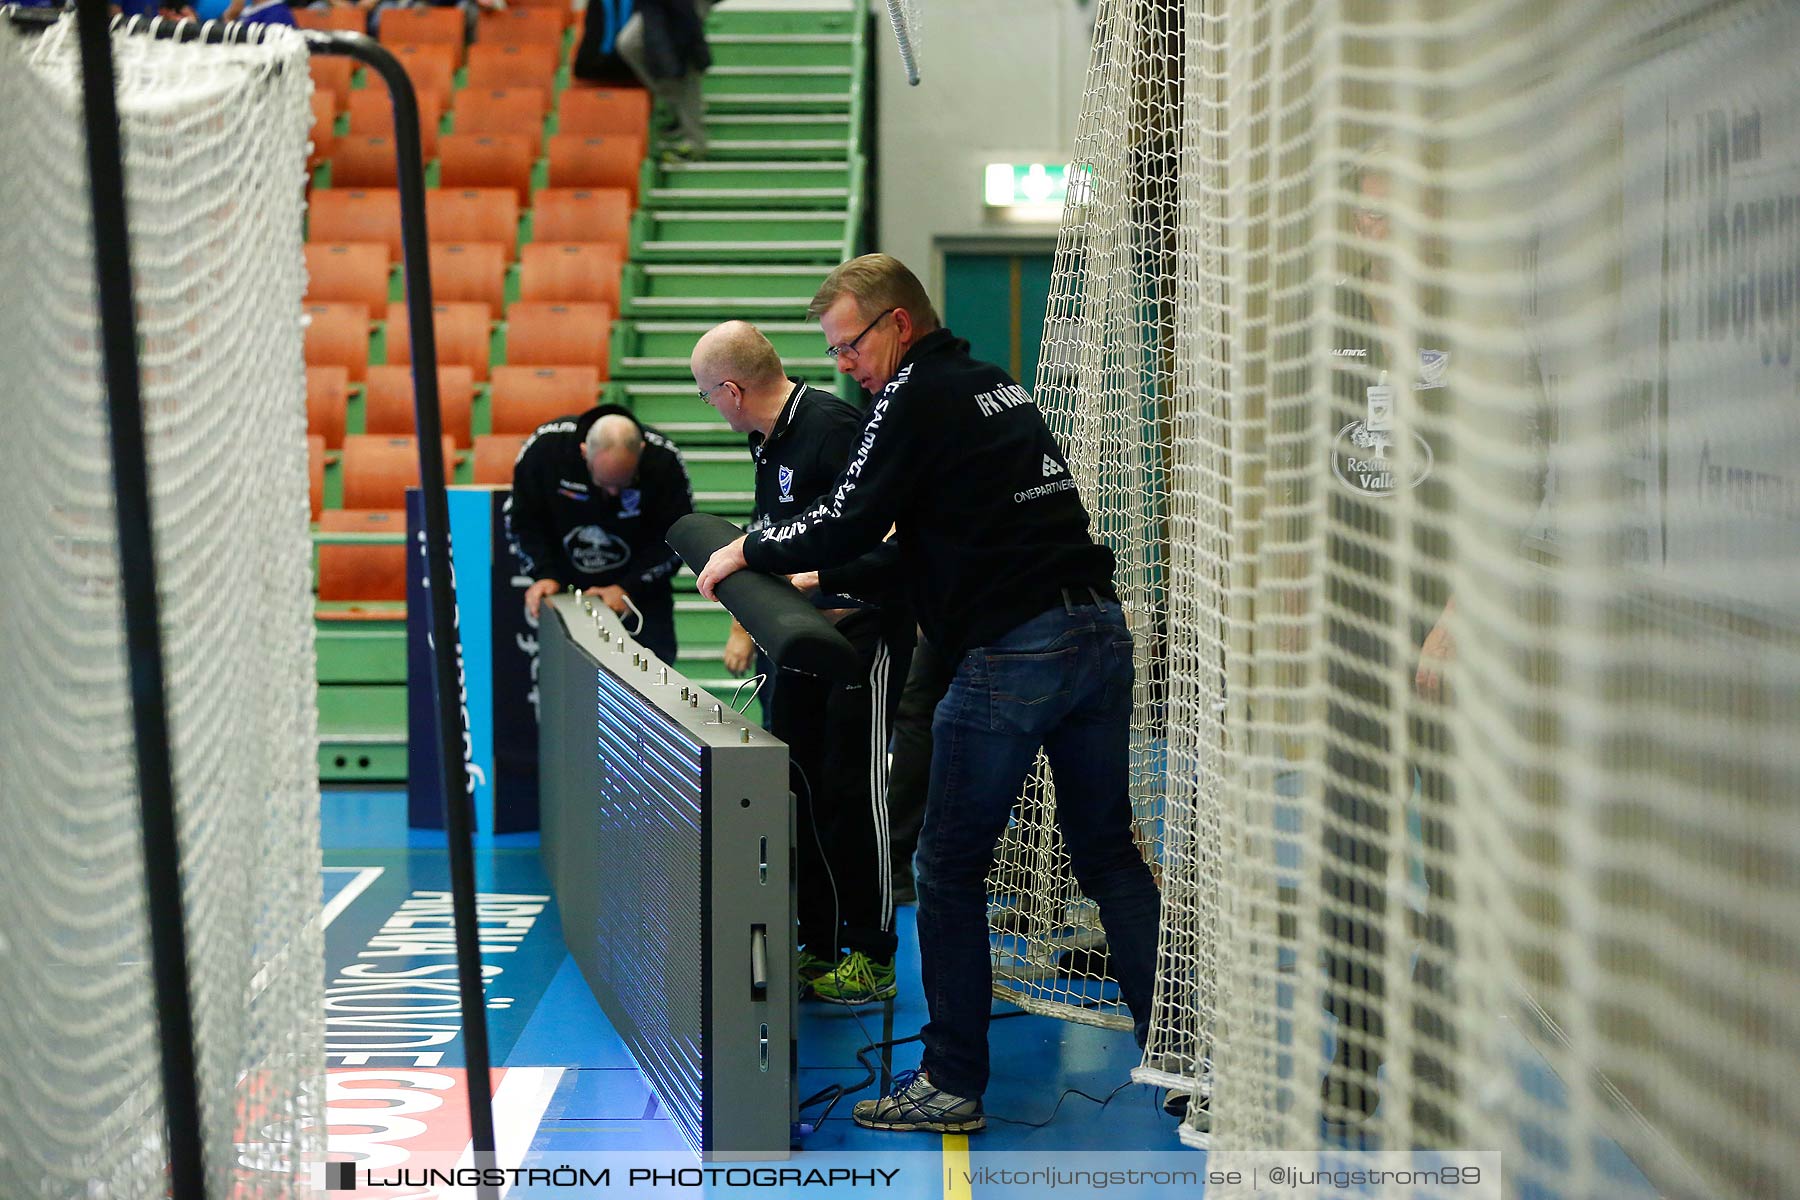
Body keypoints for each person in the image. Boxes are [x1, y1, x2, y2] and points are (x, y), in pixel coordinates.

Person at [695, 254, 1163, 1134]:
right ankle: (1183, 1058)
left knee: (946, 867)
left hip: (1014, 649)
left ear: (897, 324)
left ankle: (950, 1082)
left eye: (848, 344)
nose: (840, 363)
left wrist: (746, 554)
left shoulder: (911, 395)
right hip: (1097, 633)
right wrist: (814, 579)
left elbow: (852, 515)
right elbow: (924, 542)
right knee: (1108, 859)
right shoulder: (993, 386)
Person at [691, 320, 913, 1005]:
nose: (711, 406)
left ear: (730, 391)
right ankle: (816, 945)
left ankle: (872, 954)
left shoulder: (832, 426)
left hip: (858, 642)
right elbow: (772, 541)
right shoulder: (770, 440)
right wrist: (747, 620)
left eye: (706, 396)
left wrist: (816, 581)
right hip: (796, 649)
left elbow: (897, 535)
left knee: (853, 797)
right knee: (798, 794)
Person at [506, 404, 694, 663]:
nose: (614, 493)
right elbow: (522, 520)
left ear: (641, 452)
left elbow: (679, 540)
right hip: (564, 592)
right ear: (584, 452)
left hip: (640, 599)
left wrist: (629, 587)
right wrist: (544, 573)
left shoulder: (664, 460)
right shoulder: (546, 450)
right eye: (605, 483)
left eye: (623, 482)